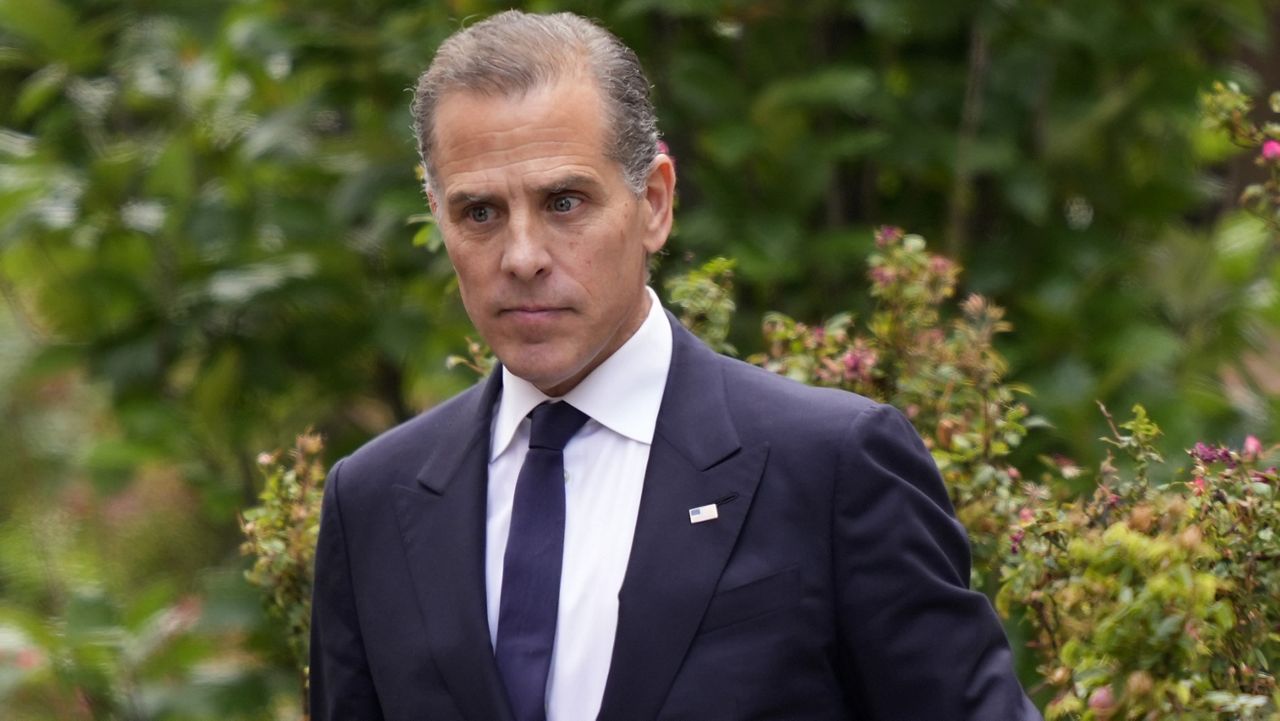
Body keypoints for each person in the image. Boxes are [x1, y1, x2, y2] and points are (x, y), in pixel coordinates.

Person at [309, 10, 1042, 721]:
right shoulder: (374, 501)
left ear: (654, 202)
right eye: (480, 213)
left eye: (564, 202)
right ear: (438, 215)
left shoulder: (828, 467)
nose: (523, 256)